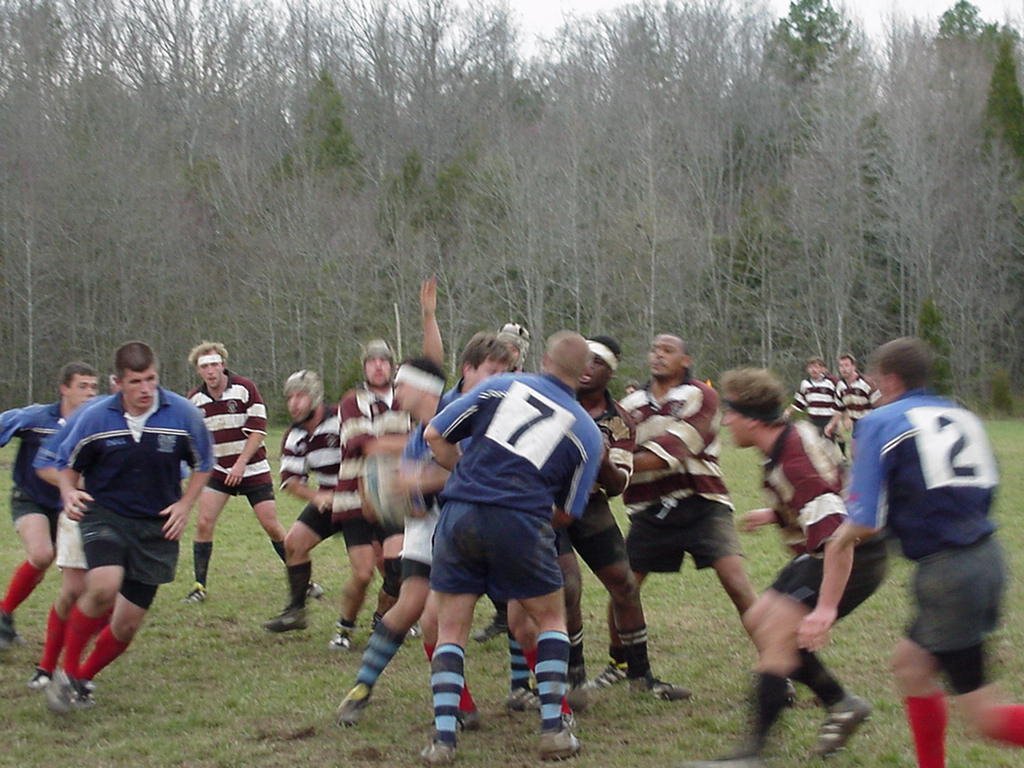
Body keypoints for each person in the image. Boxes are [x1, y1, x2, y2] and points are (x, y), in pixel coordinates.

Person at [818, 337, 1024, 768]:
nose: (874, 390)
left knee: (983, 716)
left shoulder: (880, 422)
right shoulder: (962, 414)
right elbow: (986, 488)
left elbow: (866, 519)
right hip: (987, 557)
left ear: (891, 380)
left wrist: (838, 540)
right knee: (911, 666)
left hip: (948, 573)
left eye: (877, 382)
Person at [681, 368, 888, 768]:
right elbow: (830, 492)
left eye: (732, 413)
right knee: (759, 619)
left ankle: (750, 756)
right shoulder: (787, 438)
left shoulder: (794, 461)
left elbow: (837, 535)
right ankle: (841, 704)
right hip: (828, 548)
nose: (726, 421)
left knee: (777, 635)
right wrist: (776, 514)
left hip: (853, 555)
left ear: (754, 420)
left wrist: (825, 609)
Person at [420, 331, 603, 764]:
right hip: (522, 522)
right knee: (551, 618)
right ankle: (553, 731)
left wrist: (466, 473)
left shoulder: (499, 386)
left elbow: (434, 434)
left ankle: (443, 740)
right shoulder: (587, 433)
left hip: (460, 515)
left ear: (543, 360)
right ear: (584, 373)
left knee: (451, 630)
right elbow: (568, 512)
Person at [335, 338, 511, 727]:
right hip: (430, 525)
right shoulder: (418, 434)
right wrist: (400, 497)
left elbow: (472, 473)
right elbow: (417, 499)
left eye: (402, 383)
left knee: (463, 615)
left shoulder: (461, 416)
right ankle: (363, 687)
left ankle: (525, 689)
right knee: (410, 604)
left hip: (471, 525)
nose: (395, 390)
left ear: (423, 388)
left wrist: (422, 480)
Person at [45, 341, 213, 712]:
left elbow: (204, 464)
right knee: (104, 586)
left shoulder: (182, 414)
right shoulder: (94, 417)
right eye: (135, 381)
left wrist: (185, 504)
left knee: (126, 625)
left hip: (157, 525)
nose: (145, 389)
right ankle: (66, 674)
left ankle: (81, 679)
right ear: (118, 383)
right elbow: (66, 463)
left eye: (151, 379)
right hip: (105, 514)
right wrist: (69, 491)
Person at [591, 335, 756, 693]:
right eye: (654, 349)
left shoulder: (701, 395)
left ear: (685, 360)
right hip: (649, 508)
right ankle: (620, 663)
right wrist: (606, 462)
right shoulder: (628, 405)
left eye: (668, 350)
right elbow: (612, 443)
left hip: (702, 502)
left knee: (736, 581)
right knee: (624, 587)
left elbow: (677, 447)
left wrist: (610, 465)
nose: (658, 355)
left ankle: (776, 664)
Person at [559, 336, 686, 707]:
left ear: (610, 373)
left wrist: (600, 459)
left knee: (625, 584)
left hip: (590, 504)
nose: (586, 367)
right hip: (547, 506)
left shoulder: (619, 422)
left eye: (596, 362)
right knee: (568, 587)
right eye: (583, 359)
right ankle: (573, 679)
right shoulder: (554, 401)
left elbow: (617, 486)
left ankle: (640, 675)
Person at [330, 278, 443, 650]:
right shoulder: (353, 400)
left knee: (396, 568)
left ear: (392, 367)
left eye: (384, 361)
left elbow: (431, 371)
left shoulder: (405, 396)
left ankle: (383, 619)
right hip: (355, 497)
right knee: (364, 572)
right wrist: (411, 439)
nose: (378, 367)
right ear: (364, 367)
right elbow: (365, 445)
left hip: (395, 495)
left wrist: (428, 316)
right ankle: (344, 626)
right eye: (371, 361)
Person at [0, 362, 99, 651]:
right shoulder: (36, 417)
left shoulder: (96, 423)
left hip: (70, 506)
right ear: (64, 389)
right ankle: (4, 614)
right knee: (42, 554)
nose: (90, 393)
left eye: (94, 387)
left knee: (83, 576)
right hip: (31, 499)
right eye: (82, 386)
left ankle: (74, 635)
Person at [183, 341, 286, 603]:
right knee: (204, 523)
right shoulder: (194, 399)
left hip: (252, 468)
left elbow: (258, 430)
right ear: (198, 370)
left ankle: (303, 579)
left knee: (272, 526)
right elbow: (193, 437)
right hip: (218, 471)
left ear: (223, 365)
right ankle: (199, 586)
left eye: (214, 364)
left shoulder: (245, 388)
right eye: (204, 366)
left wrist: (241, 463)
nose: (210, 371)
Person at [261, 370, 339, 633]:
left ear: (315, 398)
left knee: (379, 561)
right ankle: (296, 611)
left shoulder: (342, 419)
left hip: (360, 499)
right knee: (293, 544)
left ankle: (397, 617)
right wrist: (317, 496)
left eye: (301, 396)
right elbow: (290, 480)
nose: (293, 403)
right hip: (328, 500)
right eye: (290, 397)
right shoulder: (294, 434)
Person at [472, 321, 532, 645]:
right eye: (503, 345)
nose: (507, 351)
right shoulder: (483, 383)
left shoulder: (529, 387)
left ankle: (530, 623)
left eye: (513, 348)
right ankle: (503, 615)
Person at [824, 353, 880, 443]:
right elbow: (839, 409)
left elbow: (879, 405)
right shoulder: (840, 386)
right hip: (857, 426)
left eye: (846, 365)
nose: (843, 369)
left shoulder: (866, 383)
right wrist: (831, 425)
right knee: (856, 450)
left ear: (854, 367)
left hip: (871, 425)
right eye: (841, 366)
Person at [789, 356, 839, 437]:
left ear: (823, 369)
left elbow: (840, 401)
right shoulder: (805, 384)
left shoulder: (831, 382)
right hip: (813, 420)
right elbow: (799, 402)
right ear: (807, 369)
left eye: (816, 367)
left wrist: (839, 419)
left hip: (828, 420)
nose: (814, 370)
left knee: (828, 443)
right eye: (811, 367)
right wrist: (787, 412)